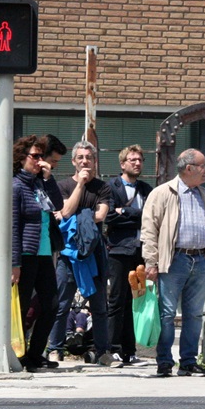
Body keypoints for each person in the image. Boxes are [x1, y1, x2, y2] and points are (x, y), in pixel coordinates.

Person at [142, 148, 205, 377]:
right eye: (202, 166)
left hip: (201, 261)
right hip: (173, 260)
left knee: (195, 314)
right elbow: (149, 230)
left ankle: (188, 362)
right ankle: (165, 362)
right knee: (166, 313)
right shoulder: (162, 193)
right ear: (189, 169)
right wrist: (151, 261)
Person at [47, 141, 117, 366]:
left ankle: (102, 351)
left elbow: (101, 215)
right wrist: (81, 186)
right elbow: (64, 211)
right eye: (80, 157)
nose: (85, 161)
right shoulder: (63, 186)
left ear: (94, 161)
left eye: (89, 157)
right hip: (68, 255)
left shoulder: (103, 188)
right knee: (61, 305)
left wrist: (75, 214)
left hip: (94, 254)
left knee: (99, 307)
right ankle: (54, 349)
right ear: (74, 161)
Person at [11, 135, 65, 372]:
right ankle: (20, 356)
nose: (40, 161)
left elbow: (58, 204)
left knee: (51, 304)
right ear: (22, 158)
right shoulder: (15, 186)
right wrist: (14, 263)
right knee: (21, 308)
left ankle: (35, 353)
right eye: (35, 156)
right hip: (25, 254)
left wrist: (48, 177)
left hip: (43, 254)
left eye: (42, 156)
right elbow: (12, 226)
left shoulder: (39, 183)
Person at [104, 145, 152, 366]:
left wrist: (128, 212)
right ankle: (113, 349)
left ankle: (130, 352)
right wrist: (129, 215)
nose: (137, 163)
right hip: (119, 249)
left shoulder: (146, 189)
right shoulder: (111, 187)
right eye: (132, 160)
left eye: (140, 160)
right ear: (122, 164)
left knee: (135, 301)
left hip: (140, 250)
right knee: (116, 300)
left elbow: (151, 217)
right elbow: (110, 218)